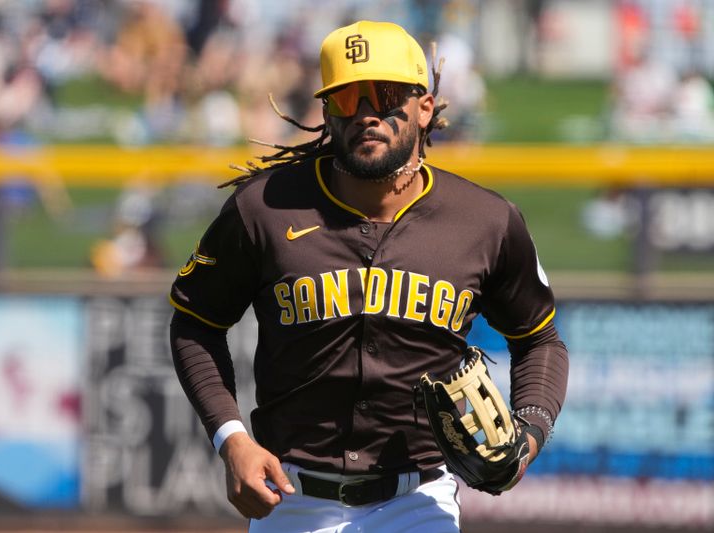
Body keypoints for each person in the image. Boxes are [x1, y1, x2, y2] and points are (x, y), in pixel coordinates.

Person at [168, 20, 569, 532]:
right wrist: (231, 439)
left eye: (384, 94)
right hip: (292, 500)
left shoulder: (484, 221)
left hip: (418, 500)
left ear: (425, 107)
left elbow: (540, 339)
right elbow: (195, 323)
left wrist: (529, 433)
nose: (365, 114)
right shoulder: (264, 209)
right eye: (346, 98)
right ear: (327, 112)